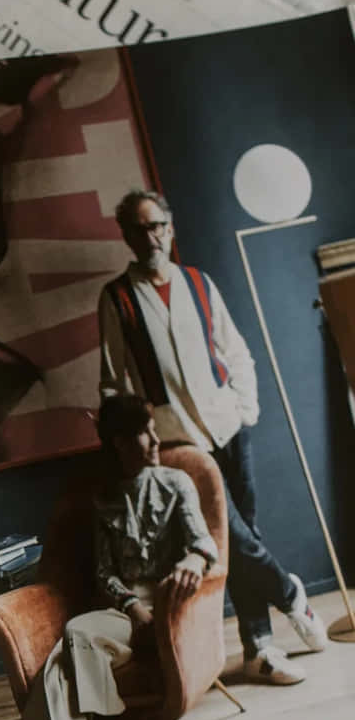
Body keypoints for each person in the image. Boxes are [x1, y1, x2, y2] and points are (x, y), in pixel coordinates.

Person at [99, 188, 326, 682]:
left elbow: (237, 351)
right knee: (230, 541)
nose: (151, 235)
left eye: (157, 224)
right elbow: (114, 383)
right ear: (127, 236)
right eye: (139, 228)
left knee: (247, 531)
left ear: (171, 227)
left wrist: (245, 410)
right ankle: (291, 595)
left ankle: (260, 648)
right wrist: (141, 446)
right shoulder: (117, 298)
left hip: (229, 429)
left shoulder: (199, 284)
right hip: (178, 445)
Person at [25, 395, 219, 720]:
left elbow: (203, 541)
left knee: (62, 661)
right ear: (120, 443)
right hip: (122, 610)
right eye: (144, 433)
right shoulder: (105, 499)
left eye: (152, 430)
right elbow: (103, 573)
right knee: (70, 647)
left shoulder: (175, 482)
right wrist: (132, 607)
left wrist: (194, 561)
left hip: (167, 605)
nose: (155, 440)